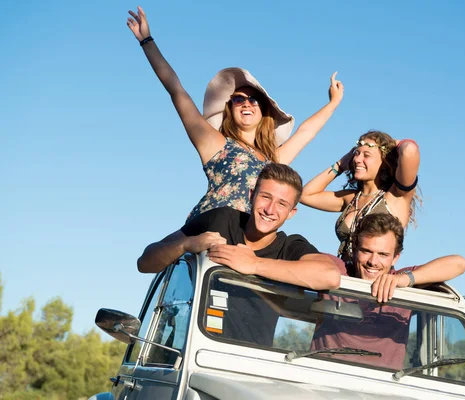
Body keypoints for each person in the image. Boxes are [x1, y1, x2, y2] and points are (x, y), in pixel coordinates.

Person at [126, 7, 344, 221]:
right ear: (229, 108)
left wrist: (333, 103)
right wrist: (147, 41)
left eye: (253, 99)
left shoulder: (273, 160)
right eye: (238, 99)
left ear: (264, 111)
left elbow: (306, 132)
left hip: (246, 243)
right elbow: (177, 92)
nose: (246, 103)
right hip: (208, 235)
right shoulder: (215, 144)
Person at [138, 163, 341, 346]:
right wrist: (186, 244)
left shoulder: (290, 246)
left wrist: (253, 264)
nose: (270, 210)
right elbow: (145, 262)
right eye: (265, 197)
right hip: (189, 352)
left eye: (282, 204)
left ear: (291, 213)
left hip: (249, 362)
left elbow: (329, 276)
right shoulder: (221, 219)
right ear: (251, 195)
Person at [311, 213, 465, 369]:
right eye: (366, 251)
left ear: (395, 258)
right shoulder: (335, 270)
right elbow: (295, 254)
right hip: (325, 375)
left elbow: (459, 264)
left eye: (383, 254)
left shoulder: (402, 281)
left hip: (384, 385)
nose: (373, 261)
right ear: (354, 250)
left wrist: (405, 280)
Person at [300, 130, 420, 264]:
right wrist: (340, 165)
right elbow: (305, 195)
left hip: (374, 277)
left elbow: (410, 150)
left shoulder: (396, 197)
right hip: (344, 276)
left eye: (366, 155)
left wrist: (395, 144)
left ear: (385, 162)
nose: (357, 159)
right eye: (356, 154)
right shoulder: (351, 198)